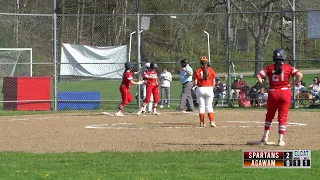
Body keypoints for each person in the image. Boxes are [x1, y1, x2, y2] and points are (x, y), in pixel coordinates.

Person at [257, 48, 303, 146]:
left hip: (273, 92)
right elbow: (300, 75)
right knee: (282, 117)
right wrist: (291, 85)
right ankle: (280, 140)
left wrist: (263, 84)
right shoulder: (288, 67)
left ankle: (265, 137)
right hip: (284, 92)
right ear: (283, 57)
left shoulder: (269, 68)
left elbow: (259, 76)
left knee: (269, 115)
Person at [193, 56, 216, 127]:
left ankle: (202, 123)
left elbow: (195, 83)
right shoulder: (211, 70)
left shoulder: (197, 70)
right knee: (209, 106)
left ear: (200, 62)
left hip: (200, 89)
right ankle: (212, 122)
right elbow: (213, 82)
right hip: (209, 88)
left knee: (201, 106)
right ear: (207, 62)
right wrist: (212, 88)